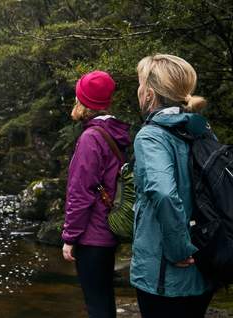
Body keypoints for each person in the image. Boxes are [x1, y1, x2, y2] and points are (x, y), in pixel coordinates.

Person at [131, 54, 214, 318]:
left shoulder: (152, 136)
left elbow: (164, 193)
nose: (139, 88)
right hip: (205, 263)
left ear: (150, 94)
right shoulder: (202, 129)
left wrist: (178, 249)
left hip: (166, 274)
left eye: (141, 83)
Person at [62, 70, 131, 318]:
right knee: (104, 298)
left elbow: (80, 193)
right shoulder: (116, 131)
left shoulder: (91, 137)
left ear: (83, 101)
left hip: (92, 235)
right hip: (108, 229)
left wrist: (70, 237)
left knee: (97, 304)